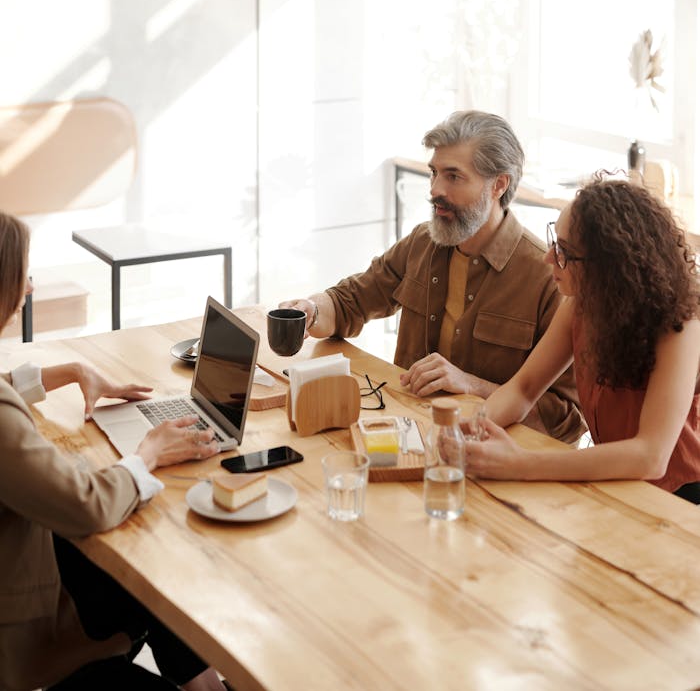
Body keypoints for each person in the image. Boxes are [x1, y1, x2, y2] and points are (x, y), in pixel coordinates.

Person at [0, 211, 228, 690]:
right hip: (21, 636)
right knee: (152, 567)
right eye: (24, 276)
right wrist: (147, 454)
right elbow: (87, 504)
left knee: (153, 574)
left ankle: (205, 682)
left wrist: (70, 372)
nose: (31, 289)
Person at [282, 110, 585, 444]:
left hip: (497, 458)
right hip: (410, 437)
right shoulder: (424, 242)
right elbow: (349, 302)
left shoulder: (547, 277)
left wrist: (472, 385)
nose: (435, 190)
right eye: (434, 173)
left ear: (499, 184)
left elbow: (568, 420)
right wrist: (311, 309)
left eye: (453, 177)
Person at [461, 176, 700, 501]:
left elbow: (651, 456)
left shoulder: (680, 325)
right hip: (616, 481)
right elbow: (523, 389)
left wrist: (521, 463)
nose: (549, 259)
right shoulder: (581, 304)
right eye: (554, 243)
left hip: (681, 497)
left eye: (565, 253)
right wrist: (470, 430)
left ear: (611, 265)